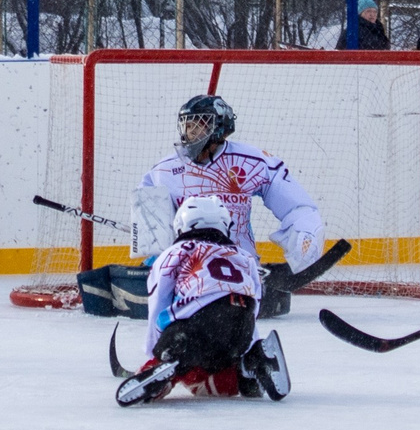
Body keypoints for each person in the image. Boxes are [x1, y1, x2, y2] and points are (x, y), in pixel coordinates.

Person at [130, 93, 325, 287]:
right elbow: (151, 230)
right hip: (188, 273)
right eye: (188, 126)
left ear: (220, 127)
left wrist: (304, 234)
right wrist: (156, 249)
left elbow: (298, 206)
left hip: (242, 268)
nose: (192, 132)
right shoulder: (163, 171)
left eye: (200, 125)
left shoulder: (252, 161)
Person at [115, 196, 290, 405]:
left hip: (198, 322)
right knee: (218, 379)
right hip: (241, 327)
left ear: (181, 225)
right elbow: (254, 301)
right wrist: (249, 346)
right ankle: (250, 367)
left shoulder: (176, 251)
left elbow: (159, 296)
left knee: (178, 357)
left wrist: (157, 350)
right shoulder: (244, 256)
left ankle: (162, 371)